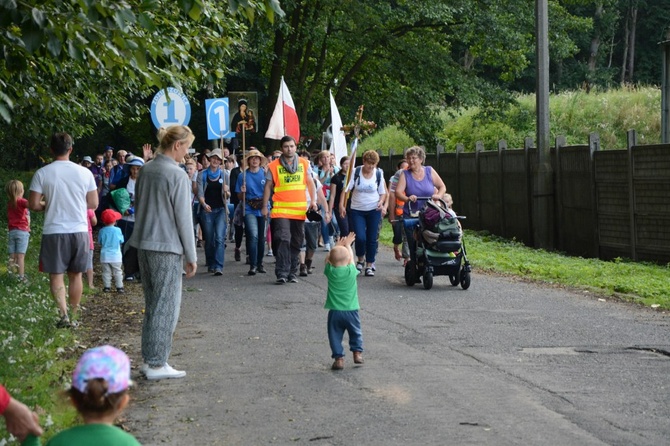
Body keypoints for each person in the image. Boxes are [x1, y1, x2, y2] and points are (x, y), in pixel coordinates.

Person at [128, 125, 197, 380]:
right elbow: (184, 219)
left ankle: (150, 359)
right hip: (166, 246)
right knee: (166, 306)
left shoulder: (146, 169)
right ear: (177, 145)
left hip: (143, 244)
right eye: (187, 146)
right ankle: (157, 363)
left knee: (153, 304)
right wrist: (192, 256)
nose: (187, 153)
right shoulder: (177, 175)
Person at [29, 132, 98, 328]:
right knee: (76, 275)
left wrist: (48, 205)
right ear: (71, 149)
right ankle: (74, 314)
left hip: (54, 230)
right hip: (79, 230)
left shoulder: (43, 173)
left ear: (51, 150)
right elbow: (93, 203)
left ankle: (64, 315)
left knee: (56, 275)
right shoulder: (85, 173)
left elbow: (33, 204)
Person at [22, 345, 140, 446]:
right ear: (123, 402)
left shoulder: (60, 441)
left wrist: (30, 440)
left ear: (74, 401)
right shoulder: (129, 443)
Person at [262, 135, 317, 284]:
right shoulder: (273, 166)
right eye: (286, 146)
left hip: (299, 211)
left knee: (297, 242)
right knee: (282, 238)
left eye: (292, 146)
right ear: (282, 148)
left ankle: (292, 272)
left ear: (296, 147)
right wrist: (264, 206)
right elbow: (268, 186)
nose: (289, 149)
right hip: (280, 210)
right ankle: (282, 272)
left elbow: (310, 183)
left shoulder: (304, 164)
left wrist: (313, 201)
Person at [394, 146, 447, 269]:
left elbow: (442, 186)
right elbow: (398, 192)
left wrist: (438, 196)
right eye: (409, 158)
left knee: (429, 238)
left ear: (421, 159)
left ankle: (429, 260)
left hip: (429, 212)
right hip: (412, 213)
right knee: (413, 241)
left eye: (414, 158)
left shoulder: (429, 171)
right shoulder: (405, 174)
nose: (411, 161)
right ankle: (413, 264)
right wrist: (407, 198)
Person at [338, 150, 387, 277]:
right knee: (360, 237)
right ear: (364, 161)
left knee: (371, 238)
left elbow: (383, 192)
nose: (371, 167)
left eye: (373, 164)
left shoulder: (378, 173)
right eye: (369, 163)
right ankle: (360, 259)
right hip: (357, 209)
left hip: (373, 209)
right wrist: (342, 205)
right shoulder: (355, 172)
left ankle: (369, 264)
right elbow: (345, 190)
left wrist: (381, 202)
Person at [324, 232, 363, 370]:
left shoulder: (331, 272)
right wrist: (348, 245)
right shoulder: (351, 271)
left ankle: (338, 358)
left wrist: (336, 246)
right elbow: (351, 258)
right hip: (351, 310)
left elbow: (327, 260)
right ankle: (357, 353)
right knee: (355, 331)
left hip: (335, 311)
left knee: (334, 334)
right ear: (348, 261)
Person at [196, 148, 230, 276]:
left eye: (218, 159)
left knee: (220, 238)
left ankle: (218, 266)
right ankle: (210, 262)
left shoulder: (225, 174)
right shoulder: (202, 174)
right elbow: (200, 193)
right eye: (214, 158)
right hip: (207, 210)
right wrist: (204, 204)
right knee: (209, 239)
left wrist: (226, 191)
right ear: (210, 159)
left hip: (221, 209)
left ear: (221, 161)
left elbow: (228, 196)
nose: (216, 160)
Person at [235, 149, 268, 275]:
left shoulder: (265, 174)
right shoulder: (242, 176)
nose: (254, 160)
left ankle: (260, 263)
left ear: (260, 161)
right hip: (249, 207)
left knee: (261, 238)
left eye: (257, 158)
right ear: (248, 161)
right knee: (253, 235)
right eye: (252, 158)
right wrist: (242, 192)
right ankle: (253, 264)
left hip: (263, 207)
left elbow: (270, 191)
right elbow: (238, 196)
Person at [111, 156, 144, 281]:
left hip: (141, 219)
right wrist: (122, 209)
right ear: (129, 169)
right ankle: (129, 272)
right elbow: (114, 197)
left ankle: (140, 272)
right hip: (126, 220)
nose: (135, 171)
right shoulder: (124, 182)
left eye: (138, 169)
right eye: (133, 169)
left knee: (141, 246)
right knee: (127, 245)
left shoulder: (145, 182)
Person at [313, 151, 339, 251]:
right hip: (322, 197)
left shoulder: (336, 169)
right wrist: (326, 174)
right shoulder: (317, 170)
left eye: (328, 157)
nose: (326, 159)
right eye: (323, 157)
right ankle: (327, 242)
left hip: (333, 197)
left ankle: (331, 235)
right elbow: (318, 183)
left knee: (334, 221)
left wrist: (332, 174)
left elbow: (338, 182)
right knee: (324, 220)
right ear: (320, 159)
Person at [5, 180, 30, 282]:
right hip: (22, 232)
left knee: (12, 255)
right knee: (20, 256)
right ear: (20, 191)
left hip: (12, 232)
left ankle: (10, 275)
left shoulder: (10, 203)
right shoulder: (21, 201)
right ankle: (21, 277)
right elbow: (32, 204)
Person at [387, 159, 410, 262]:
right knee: (398, 236)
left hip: (408, 212)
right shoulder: (395, 177)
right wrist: (391, 213)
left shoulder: (412, 176)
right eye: (402, 167)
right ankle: (396, 247)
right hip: (397, 212)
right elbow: (390, 194)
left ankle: (407, 258)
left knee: (407, 235)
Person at [98, 209, 125, 294]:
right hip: (116, 255)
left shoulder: (102, 231)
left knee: (106, 272)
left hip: (105, 255)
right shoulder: (118, 230)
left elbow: (100, 242)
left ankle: (107, 287)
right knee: (117, 271)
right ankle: (119, 287)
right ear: (115, 221)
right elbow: (121, 240)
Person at [329, 156, 350, 240]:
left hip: (352, 206)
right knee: (345, 230)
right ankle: (341, 251)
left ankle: (346, 248)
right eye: (345, 164)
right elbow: (332, 195)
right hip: (339, 207)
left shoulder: (354, 176)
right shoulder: (336, 178)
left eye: (349, 164)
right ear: (341, 165)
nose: (347, 166)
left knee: (352, 231)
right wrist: (329, 211)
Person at [85, 209, 97, 289]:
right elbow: (94, 222)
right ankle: (90, 284)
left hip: (74, 236)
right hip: (88, 239)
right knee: (89, 263)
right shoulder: (89, 210)